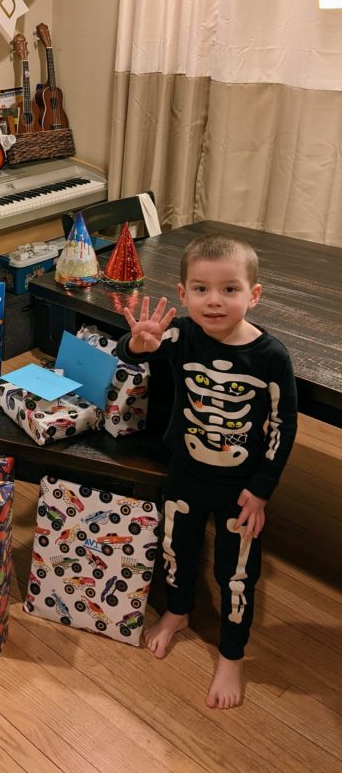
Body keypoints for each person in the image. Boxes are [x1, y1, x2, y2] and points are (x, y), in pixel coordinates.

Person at [116, 233, 297, 709]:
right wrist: (136, 344)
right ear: (183, 294)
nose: (214, 300)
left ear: (253, 295)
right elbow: (133, 353)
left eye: (229, 289)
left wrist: (262, 489)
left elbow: (283, 427)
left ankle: (232, 653)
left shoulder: (271, 357)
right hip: (185, 475)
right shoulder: (181, 336)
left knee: (237, 574)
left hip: (241, 489)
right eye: (201, 289)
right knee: (176, 551)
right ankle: (177, 612)